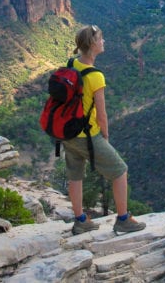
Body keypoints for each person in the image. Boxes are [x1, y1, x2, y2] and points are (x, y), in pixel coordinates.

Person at [62, 24, 146, 236]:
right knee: (120, 170)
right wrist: (105, 137)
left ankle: (80, 220)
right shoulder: (96, 76)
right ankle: (123, 219)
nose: (104, 41)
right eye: (101, 38)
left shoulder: (72, 63)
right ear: (92, 44)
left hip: (67, 132)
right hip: (87, 136)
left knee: (75, 175)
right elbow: (102, 114)